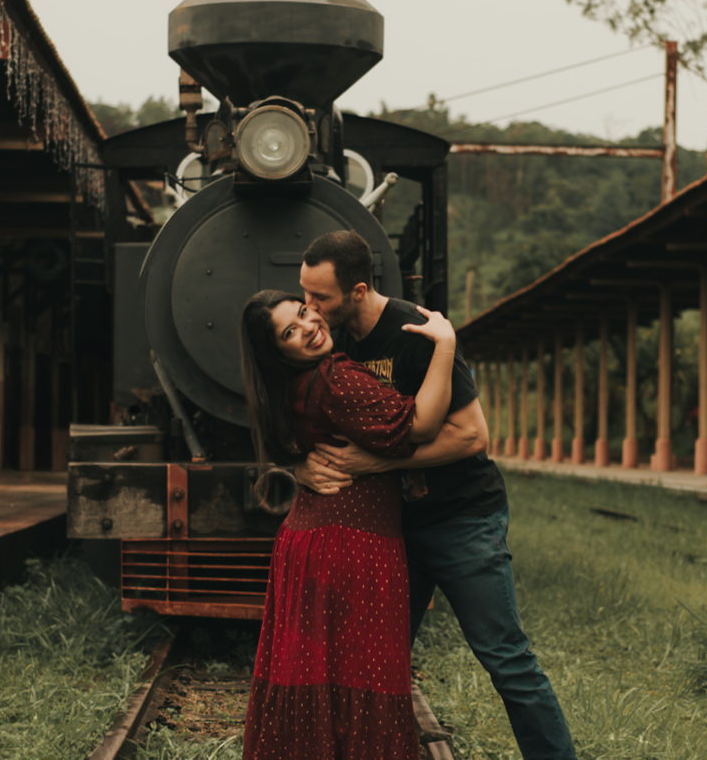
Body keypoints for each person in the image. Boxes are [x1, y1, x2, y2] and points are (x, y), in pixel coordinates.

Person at [296, 231, 577, 760]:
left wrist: (377, 461)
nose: (310, 310)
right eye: (304, 295)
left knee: (505, 659)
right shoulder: (330, 344)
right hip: (391, 528)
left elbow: (473, 435)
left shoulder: (416, 333)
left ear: (358, 290)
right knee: (372, 662)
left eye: (321, 298)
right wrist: (300, 465)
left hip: (461, 519)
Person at [238, 289, 457, 760]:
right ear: (280, 352)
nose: (308, 327)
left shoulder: (290, 386)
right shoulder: (336, 378)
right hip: (353, 544)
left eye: (303, 312)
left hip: (308, 540)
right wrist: (445, 343)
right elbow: (420, 425)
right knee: (367, 676)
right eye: (290, 333)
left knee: (315, 674)